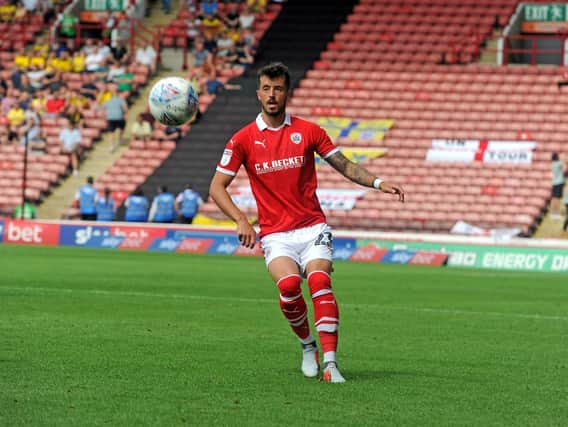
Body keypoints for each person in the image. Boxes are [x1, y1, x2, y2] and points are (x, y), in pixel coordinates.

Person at [209, 62, 405, 383]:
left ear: (288, 93)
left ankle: (330, 364)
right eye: (267, 89)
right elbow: (216, 187)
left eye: (279, 89)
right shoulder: (242, 139)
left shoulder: (309, 131)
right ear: (258, 93)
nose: (273, 95)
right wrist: (241, 220)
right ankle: (307, 346)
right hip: (276, 234)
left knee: (318, 282)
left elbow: (343, 165)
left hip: (313, 226)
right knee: (288, 287)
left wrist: (378, 182)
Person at [102, 84, 128, 152]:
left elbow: (103, 109)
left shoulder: (108, 100)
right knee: (121, 128)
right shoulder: (121, 99)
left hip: (111, 118)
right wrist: (125, 114)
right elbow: (125, 109)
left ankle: (112, 145)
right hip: (118, 117)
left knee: (111, 132)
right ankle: (119, 140)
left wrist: (105, 116)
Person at [551, 152, 565, 220]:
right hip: (559, 182)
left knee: (554, 198)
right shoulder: (558, 163)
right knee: (557, 199)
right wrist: (563, 157)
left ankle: (554, 212)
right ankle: (556, 213)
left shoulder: (552, 164)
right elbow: (565, 162)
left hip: (554, 182)